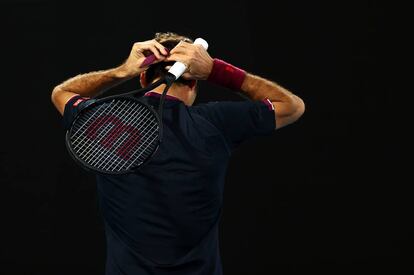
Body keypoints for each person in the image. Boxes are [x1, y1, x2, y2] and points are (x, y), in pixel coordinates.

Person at [51, 32, 305, 275]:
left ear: (142, 78)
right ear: (194, 81)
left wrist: (121, 71)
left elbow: (61, 93)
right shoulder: (217, 123)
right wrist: (216, 70)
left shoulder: (104, 118)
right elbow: (292, 107)